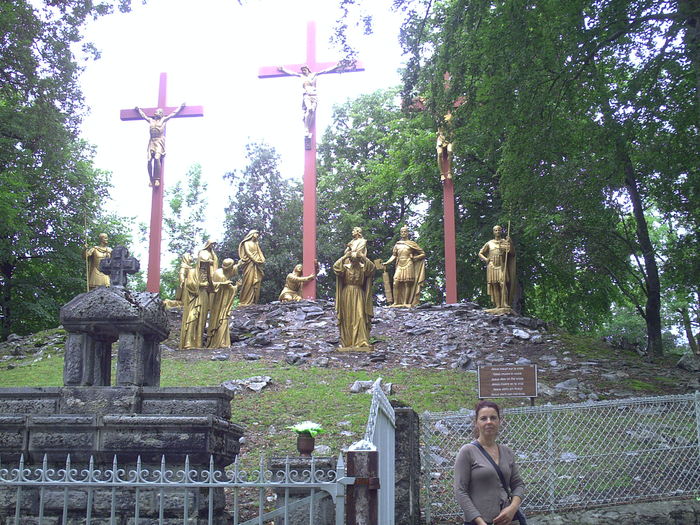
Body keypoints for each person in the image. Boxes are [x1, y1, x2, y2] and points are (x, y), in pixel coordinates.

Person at [454, 401, 525, 525]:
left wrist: (512, 508)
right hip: (479, 521)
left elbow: (518, 484)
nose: (489, 422)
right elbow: (460, 490)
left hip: (507, 520)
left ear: (499, 421)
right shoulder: (467, 451)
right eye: (483, 418)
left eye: (493, 418)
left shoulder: (507, 452)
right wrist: (480, 521)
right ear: (476, 423)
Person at [277, 64, 341, 139]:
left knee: (312, 111)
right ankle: (306, 128)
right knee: (309, 109)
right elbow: (292, 73)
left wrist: (336, 66)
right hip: (306, 95)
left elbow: (325, 71)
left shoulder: (314, 75)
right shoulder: (301, 76)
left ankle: (307, 124)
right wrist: (283, 69)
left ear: (308, 69)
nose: (303, 71)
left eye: (304, 69)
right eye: (302, 70)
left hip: (314, 95)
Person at [134, 102, 186, 186]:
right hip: (151, 141)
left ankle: (157, 179)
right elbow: (143, 116)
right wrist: (138, 110)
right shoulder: (151, 120)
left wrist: (180, 107)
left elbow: (173, 114)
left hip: (159, 141)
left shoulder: (163, 120)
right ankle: (151, 179)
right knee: (149, 160)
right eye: (156, 112)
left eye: (158, 112)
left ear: (161, 114)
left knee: (157, 158)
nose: (155, 113)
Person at [333, 251, 375, 350]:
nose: (354, 262)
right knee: (347, 317)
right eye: (352, 260)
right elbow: (336, 267)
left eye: (356, 260)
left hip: (359, 292)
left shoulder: (363, 268)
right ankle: (347, 342)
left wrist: (363, 257)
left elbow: (372, 268)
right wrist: (344, 257)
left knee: (360, 316)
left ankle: (362, 341)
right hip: (346, 294)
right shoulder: (345, 267)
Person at [382, 225, 426, 307]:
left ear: (408, 233)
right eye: (402, 232)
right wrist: (387, 263)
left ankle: (406, 302)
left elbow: (423, 254)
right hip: (400, 264)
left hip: (408, 263)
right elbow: (394, 255)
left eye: (405, 231)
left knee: (407, 283)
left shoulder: (412, 244)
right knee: (395, 282)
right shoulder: (397, 244)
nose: (403, 233)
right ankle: (395, 302)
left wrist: (415, 257)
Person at [478, 225, 517, 313]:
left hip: (502, 265)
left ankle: (505, 303)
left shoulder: (504, 242)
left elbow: (512, 253)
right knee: (495, 285)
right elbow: (480, 253)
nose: (497, 232)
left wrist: (510, 243)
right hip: (492, 265)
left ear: (501, 231)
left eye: (499, 230)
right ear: (493, 232)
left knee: (503, 284)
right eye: (495, 230)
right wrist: (486, 259)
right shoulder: (489, 243)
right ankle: (498, 305)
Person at [207, 258, 240, 349]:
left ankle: (221, 341)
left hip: (217, 303)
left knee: (219, 319)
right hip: (221, 304)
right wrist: (236, 287)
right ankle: (220, 342)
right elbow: (228, 290)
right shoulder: (222, 276)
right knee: (222, 319)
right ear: (229, 268)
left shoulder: (218, 271)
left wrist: (239, 264)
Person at [238, 230, 265, 306]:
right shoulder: (246, 243)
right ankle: (245, 301)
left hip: (257, 266)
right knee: (248, 281)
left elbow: (260, 253)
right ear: (252, 234)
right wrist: (256, 260)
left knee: (256, 282)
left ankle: (253, 301)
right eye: (256, 233)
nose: (257, 235)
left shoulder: (256, 244)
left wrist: (262, 259)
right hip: (249, 265)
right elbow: (249, 253)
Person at [436, 111, 455, 180]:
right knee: (439, 153)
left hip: (449, 138)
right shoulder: (438, 116)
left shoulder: (451, 115)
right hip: (441, 138)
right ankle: (442, 174)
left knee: (450, 152)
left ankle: (449, 172)